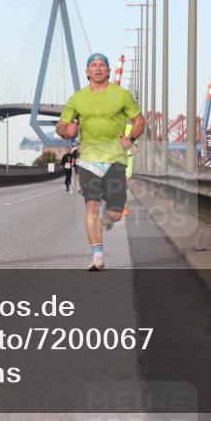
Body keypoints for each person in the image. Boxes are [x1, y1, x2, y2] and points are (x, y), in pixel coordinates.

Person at [56, 53, 144, 271]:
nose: (98, 68)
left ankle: (106, 221)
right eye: (93, 65)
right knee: (92, 205)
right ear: (87, 72)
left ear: (109, 71)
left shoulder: (121, 95)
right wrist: (67, 131)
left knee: (115, 213)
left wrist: (131, 138)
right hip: (89, 160)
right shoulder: (77, 98)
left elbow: (139, 120)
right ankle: (98, 256)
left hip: (116, 159)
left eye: (102, 65)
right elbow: (61, 126)